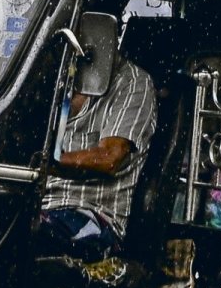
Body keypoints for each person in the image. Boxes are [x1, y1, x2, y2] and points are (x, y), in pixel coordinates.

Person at [35, 20, 156, 263]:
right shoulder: (54, 78)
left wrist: (49, 163)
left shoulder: (132, 82)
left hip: (93, 218)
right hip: (40, 207)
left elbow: (109, 158)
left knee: (30, 234)